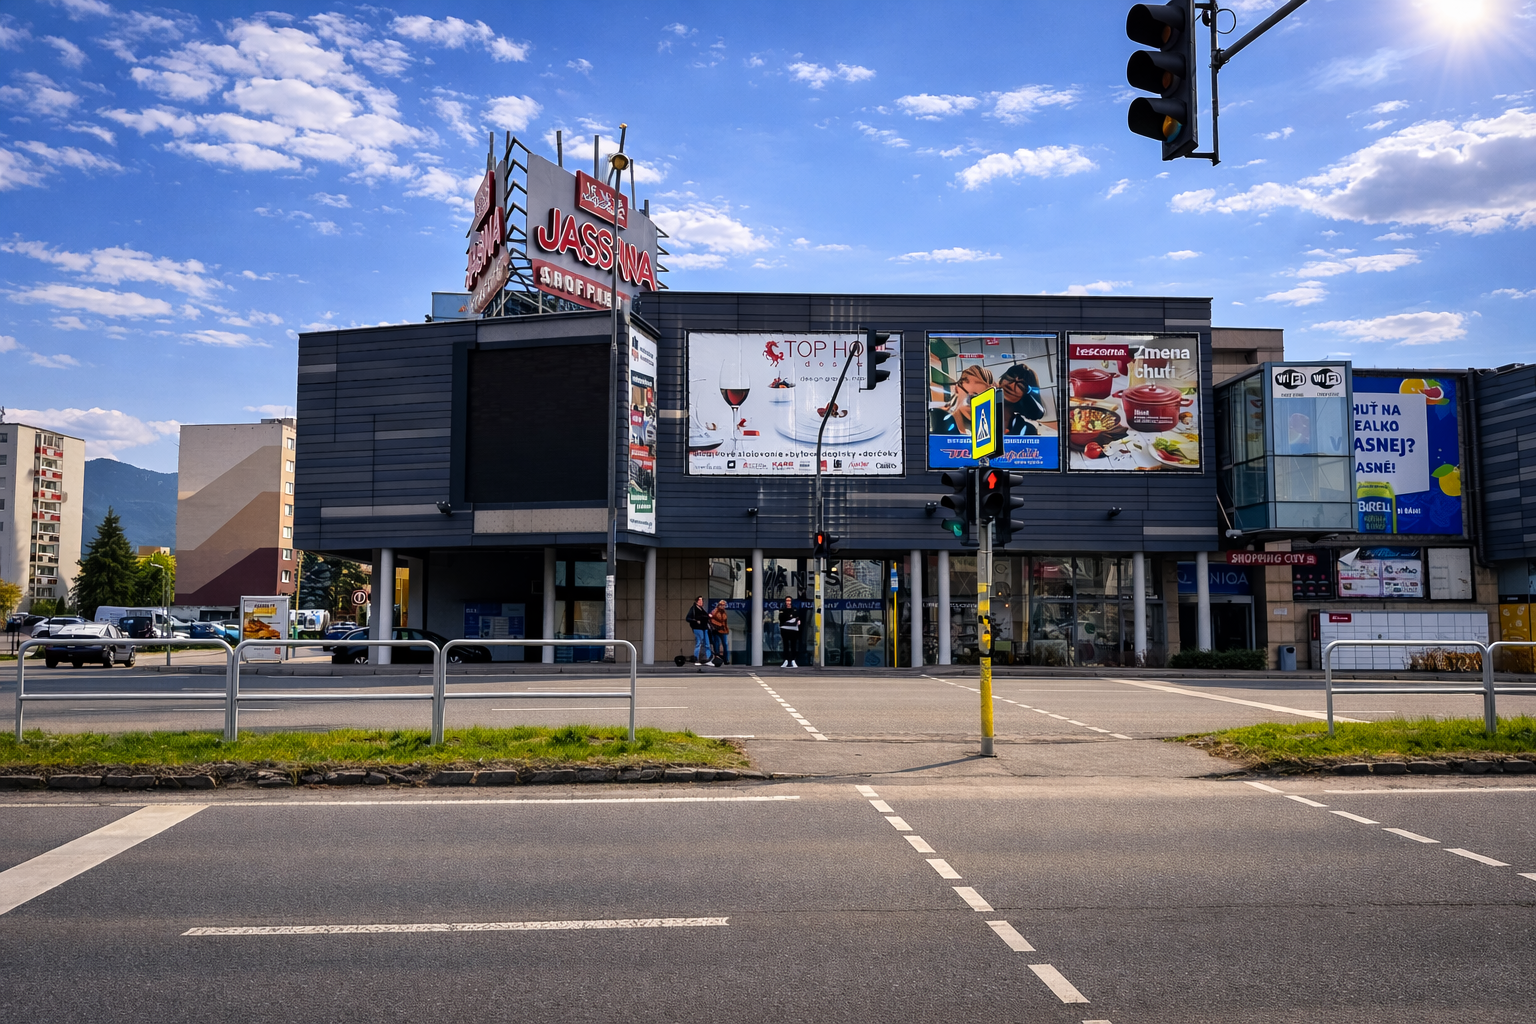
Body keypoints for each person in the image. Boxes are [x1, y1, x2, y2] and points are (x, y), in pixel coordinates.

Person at [930, 364, 995, 435]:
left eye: (983, 400)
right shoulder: (939, 418)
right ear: (957, 389)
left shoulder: (989, 428)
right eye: (971, 397)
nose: (976, 403)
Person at [998, 363, 1046, 435]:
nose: (1011, 385)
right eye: (1009, 378)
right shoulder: (980, 414)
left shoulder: (1027, 429)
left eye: (1020, 386)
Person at [686, 597, 710, 671]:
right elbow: (688, 618)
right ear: (697, 602)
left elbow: (706, 617)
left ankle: (708, 659)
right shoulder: (693, 609)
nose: (701, 602)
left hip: (704, 628)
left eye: (702, 601)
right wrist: (696, 620)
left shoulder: (702, 609)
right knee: (699, 643)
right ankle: (697, 659)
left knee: (707, 644)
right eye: (700, 601)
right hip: (698, 628)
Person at [778, 597, 801, 668]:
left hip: (793, 629)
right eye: (787, 601)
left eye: (789, 601)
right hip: (785, 629)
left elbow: (797, 617)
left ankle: (793, 660)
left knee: (793, 645)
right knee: (786, 645)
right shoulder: (782, 610)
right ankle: (786, 660)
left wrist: (796, 620)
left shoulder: (795, 609)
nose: (788, 602)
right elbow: (781, 618)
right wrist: (791, 618)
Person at [708, 599, 731, 665]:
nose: (724, 607)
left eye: (724, 605)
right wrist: (719, 625)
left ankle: (726, 659)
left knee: (725, 644)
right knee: (717, 643)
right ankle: (717, 657)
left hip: (723, 630)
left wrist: (726, 629)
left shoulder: (723, 612)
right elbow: (712, 620)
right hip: (717, 629)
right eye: (722, 605)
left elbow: (725, 622)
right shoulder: (715, 611)